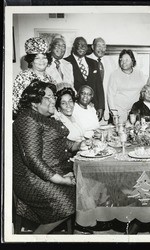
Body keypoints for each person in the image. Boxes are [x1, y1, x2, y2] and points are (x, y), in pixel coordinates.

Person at [13, 80, 87, 234]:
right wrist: (60, 180)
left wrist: (78, 145)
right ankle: (34, 239)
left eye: (53, 96)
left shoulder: (44, 117)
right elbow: (32, 158)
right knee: (68, 203)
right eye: (48, 97)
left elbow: (60, 141)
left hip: (51, 171)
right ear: (34, 101)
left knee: (86, 188)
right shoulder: (27, 119)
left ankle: (79, 228)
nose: (54, 100)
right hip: (31, 179)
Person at [64, 37, 105, 121]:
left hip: (94, 108)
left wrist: (101, 106)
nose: (82, 47)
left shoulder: (93, 63)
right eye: (79, 44)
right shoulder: (66, 62)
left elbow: (99, 86)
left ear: (87, 48)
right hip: (75, 108)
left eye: (84, 45)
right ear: (74, 47)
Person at [13, 37, 54, 114]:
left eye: (44, 57)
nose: (41, 61)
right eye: (37, 58)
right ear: (31, 61)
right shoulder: (23, 77)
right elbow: (15, 105)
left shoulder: (50, 79)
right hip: (29, 118)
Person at [107, 49, 146, 123]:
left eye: (127, 60)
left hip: (136, 111)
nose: (123, 62)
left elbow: (144, 91)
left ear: (132, 61)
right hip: (120, 111)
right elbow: (110, 95)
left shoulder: (140, 73)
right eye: (121, 60)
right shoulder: (114, 75)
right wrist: (114, 111)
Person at [87, 37, 110, 123]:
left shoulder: (110, 62)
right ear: (93, 47)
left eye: (103, 46)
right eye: (98, 46)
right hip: (91, 105)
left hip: (106, 107)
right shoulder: (86, 61)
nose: (101, 49)